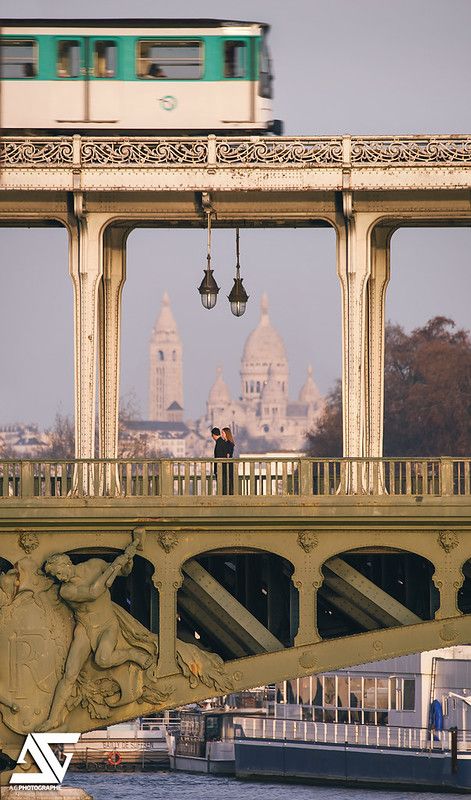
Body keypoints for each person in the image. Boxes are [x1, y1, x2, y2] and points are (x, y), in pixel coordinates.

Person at [39, 539, 156, 731]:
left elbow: (124, 572)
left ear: (67, 564)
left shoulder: (94, 565)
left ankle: (134, 655)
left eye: (60, 572)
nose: (60, 577)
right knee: (70, 673)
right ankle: (53, 718)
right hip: (85, 628)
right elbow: (93, 592)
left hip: (107, 625)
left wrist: (125, 561)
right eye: (56, 576)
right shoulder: (66, 590)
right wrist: (110, 571)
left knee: (103, 659)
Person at [211, 427, 228, 494]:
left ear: (214, 435)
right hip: (224, 468)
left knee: (221, 485)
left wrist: (217, 470)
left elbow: (219, 456)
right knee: (223, 485)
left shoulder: (219, 443)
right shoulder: (222, 442)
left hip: (220, 469)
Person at [222, 427, 235, 494]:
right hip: (226, 464)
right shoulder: (226, 443)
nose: (222, 435)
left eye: (223, 433)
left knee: (229, 479)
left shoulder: (229, 443)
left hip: (228, 464)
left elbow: (228, 454)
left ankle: (229, 493)